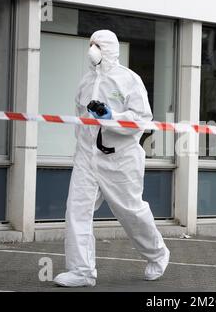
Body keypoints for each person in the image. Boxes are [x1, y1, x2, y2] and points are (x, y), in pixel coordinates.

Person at [53, 30, 170, 287]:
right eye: (90, 44)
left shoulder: (128, 80)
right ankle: (81, 270)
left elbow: (142, 119)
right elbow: (80, 121)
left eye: (97, 45)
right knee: (77, 210)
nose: (92, 49)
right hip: (87, 157)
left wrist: (111, 117)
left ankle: (158, 255)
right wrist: (83, 149)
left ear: (109, 49)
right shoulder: (85, 82)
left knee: (130, 212)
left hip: (121, 159)